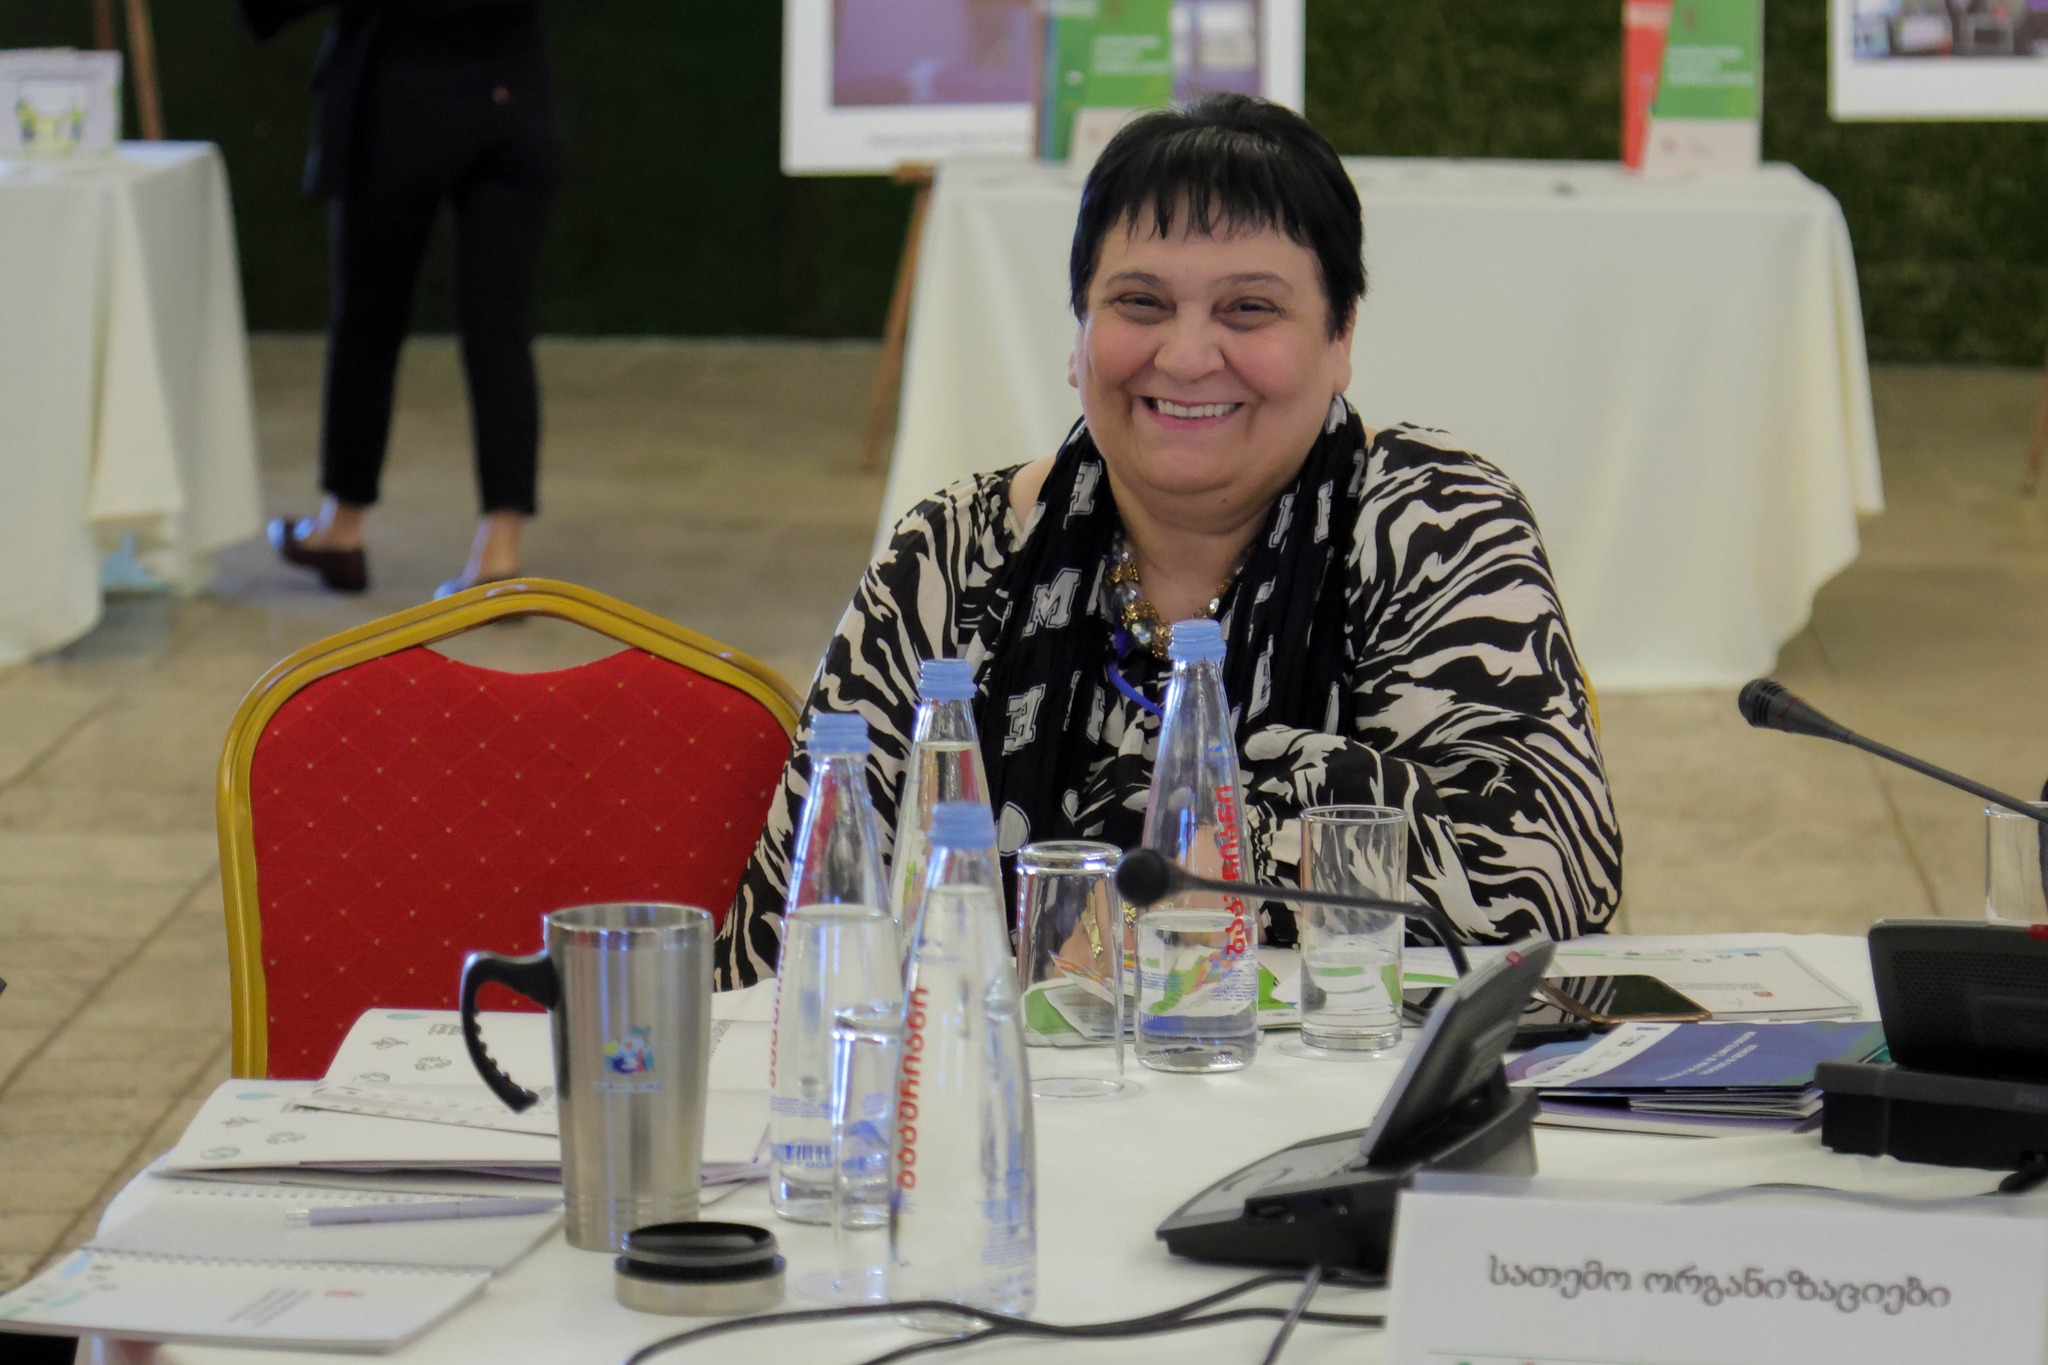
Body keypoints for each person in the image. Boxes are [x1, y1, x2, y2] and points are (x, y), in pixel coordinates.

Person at [715, 93, 1623, 988]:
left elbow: (1540, 872)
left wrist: (1172, 867)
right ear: (1079, 335)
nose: (1186, 357)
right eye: (1140, 303)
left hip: (1359, 1076)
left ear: (1340, 335)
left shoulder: (1431, 524)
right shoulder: (953, 557)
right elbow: (787, 940)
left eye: (1249, 309)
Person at [237, 0, 561, 596]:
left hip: (399, 96)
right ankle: (500, 551)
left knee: (368, 325)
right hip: (513, 91)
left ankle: (342, 527)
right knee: (501, 332)